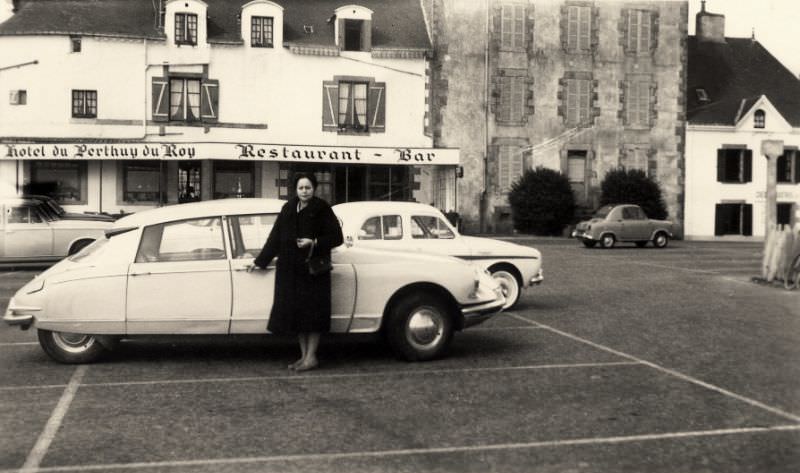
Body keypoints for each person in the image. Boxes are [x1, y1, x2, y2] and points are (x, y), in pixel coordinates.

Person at [247, 173, 343, 371]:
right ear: (295, 189)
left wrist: (314, 242)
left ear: (314, 189)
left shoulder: (322, 208)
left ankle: (311, 356)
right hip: (291, 270)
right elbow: (275, 237)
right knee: (298, 316)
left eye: (308, 188)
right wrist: (260, 261)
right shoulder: (288, 207)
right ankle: (304, 356)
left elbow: (337, 237)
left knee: (313, 316)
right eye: (301, 188)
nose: (304, 191)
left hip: (313, 270)